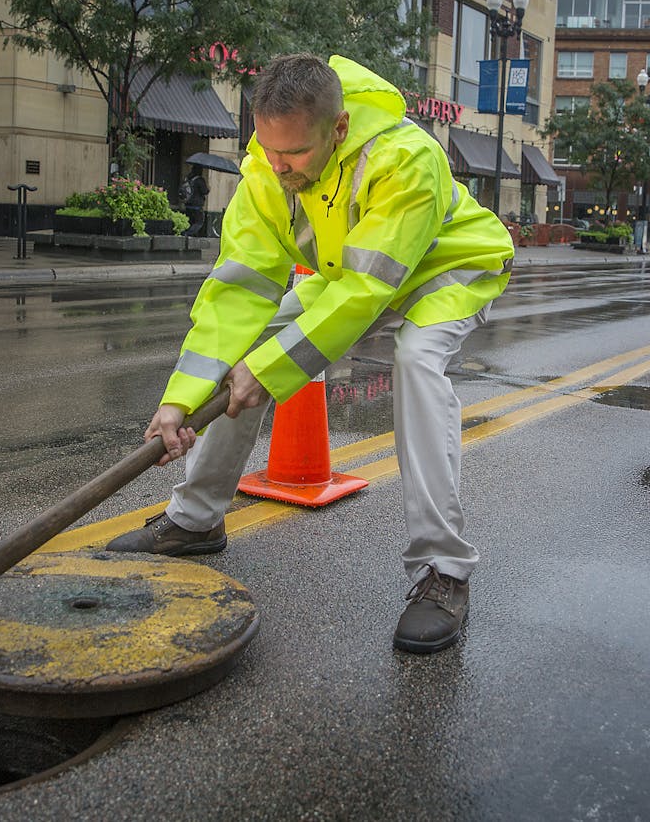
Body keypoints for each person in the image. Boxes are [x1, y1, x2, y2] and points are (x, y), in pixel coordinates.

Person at [106, 53, 514, 654]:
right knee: (250, 346)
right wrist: (181, 399)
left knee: (417, 362)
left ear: (339, 128)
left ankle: (444, 571)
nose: (279, 167)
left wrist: (269, 372)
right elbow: (238, 288)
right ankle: (195, 520)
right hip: (350, 270)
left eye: (294, 154)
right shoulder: (265, 170)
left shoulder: (407, 158)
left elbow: (367, 291)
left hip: (446, 266)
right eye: (269, 150)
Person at [178, 169, 208, 235]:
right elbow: (204, 191)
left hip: (188, 204)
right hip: (197, 205)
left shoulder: (188, 178)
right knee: (199, 222)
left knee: (190, 222)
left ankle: (184, 234)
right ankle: (187, 234)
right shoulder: (200, 180)